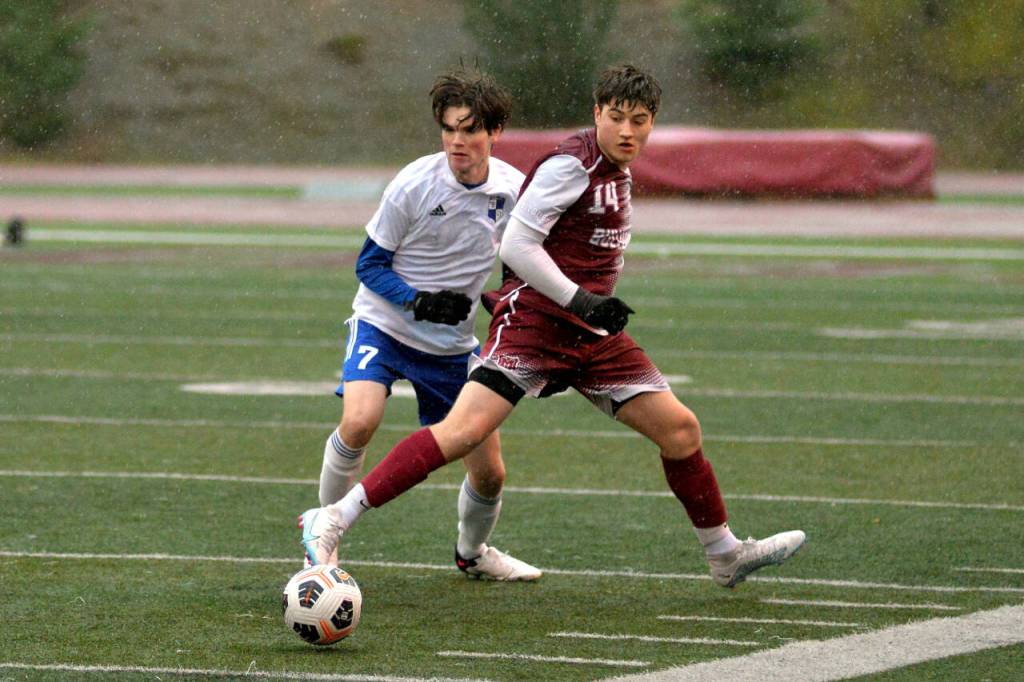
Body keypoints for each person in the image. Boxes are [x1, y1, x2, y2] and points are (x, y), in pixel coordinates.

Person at [302, 64, 804, 589]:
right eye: (616, 118)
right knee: (434, 429)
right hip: (521, 326)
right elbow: (514, 247)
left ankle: (724, 553)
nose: (627, 130)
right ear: (597, 114)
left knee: (679, 430)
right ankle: (333, 518)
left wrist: (558, 304)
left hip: (574, 334)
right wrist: (573, 300)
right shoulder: (568, 166)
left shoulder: (589, 173)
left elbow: (533, 250)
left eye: (639, 120)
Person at [300, 68, 541, 581]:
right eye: (449, 128)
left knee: (491, 473)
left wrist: (502, 303)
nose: (457, 140)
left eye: (470, 130)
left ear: (494, 133)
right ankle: (322, 539)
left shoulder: (514, 191)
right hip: (384, 325)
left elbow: (522, 264)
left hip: (453, 346)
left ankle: (473, 554)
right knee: (360, 420)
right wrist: (417, 301)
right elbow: (368, 264)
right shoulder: (413, 183)